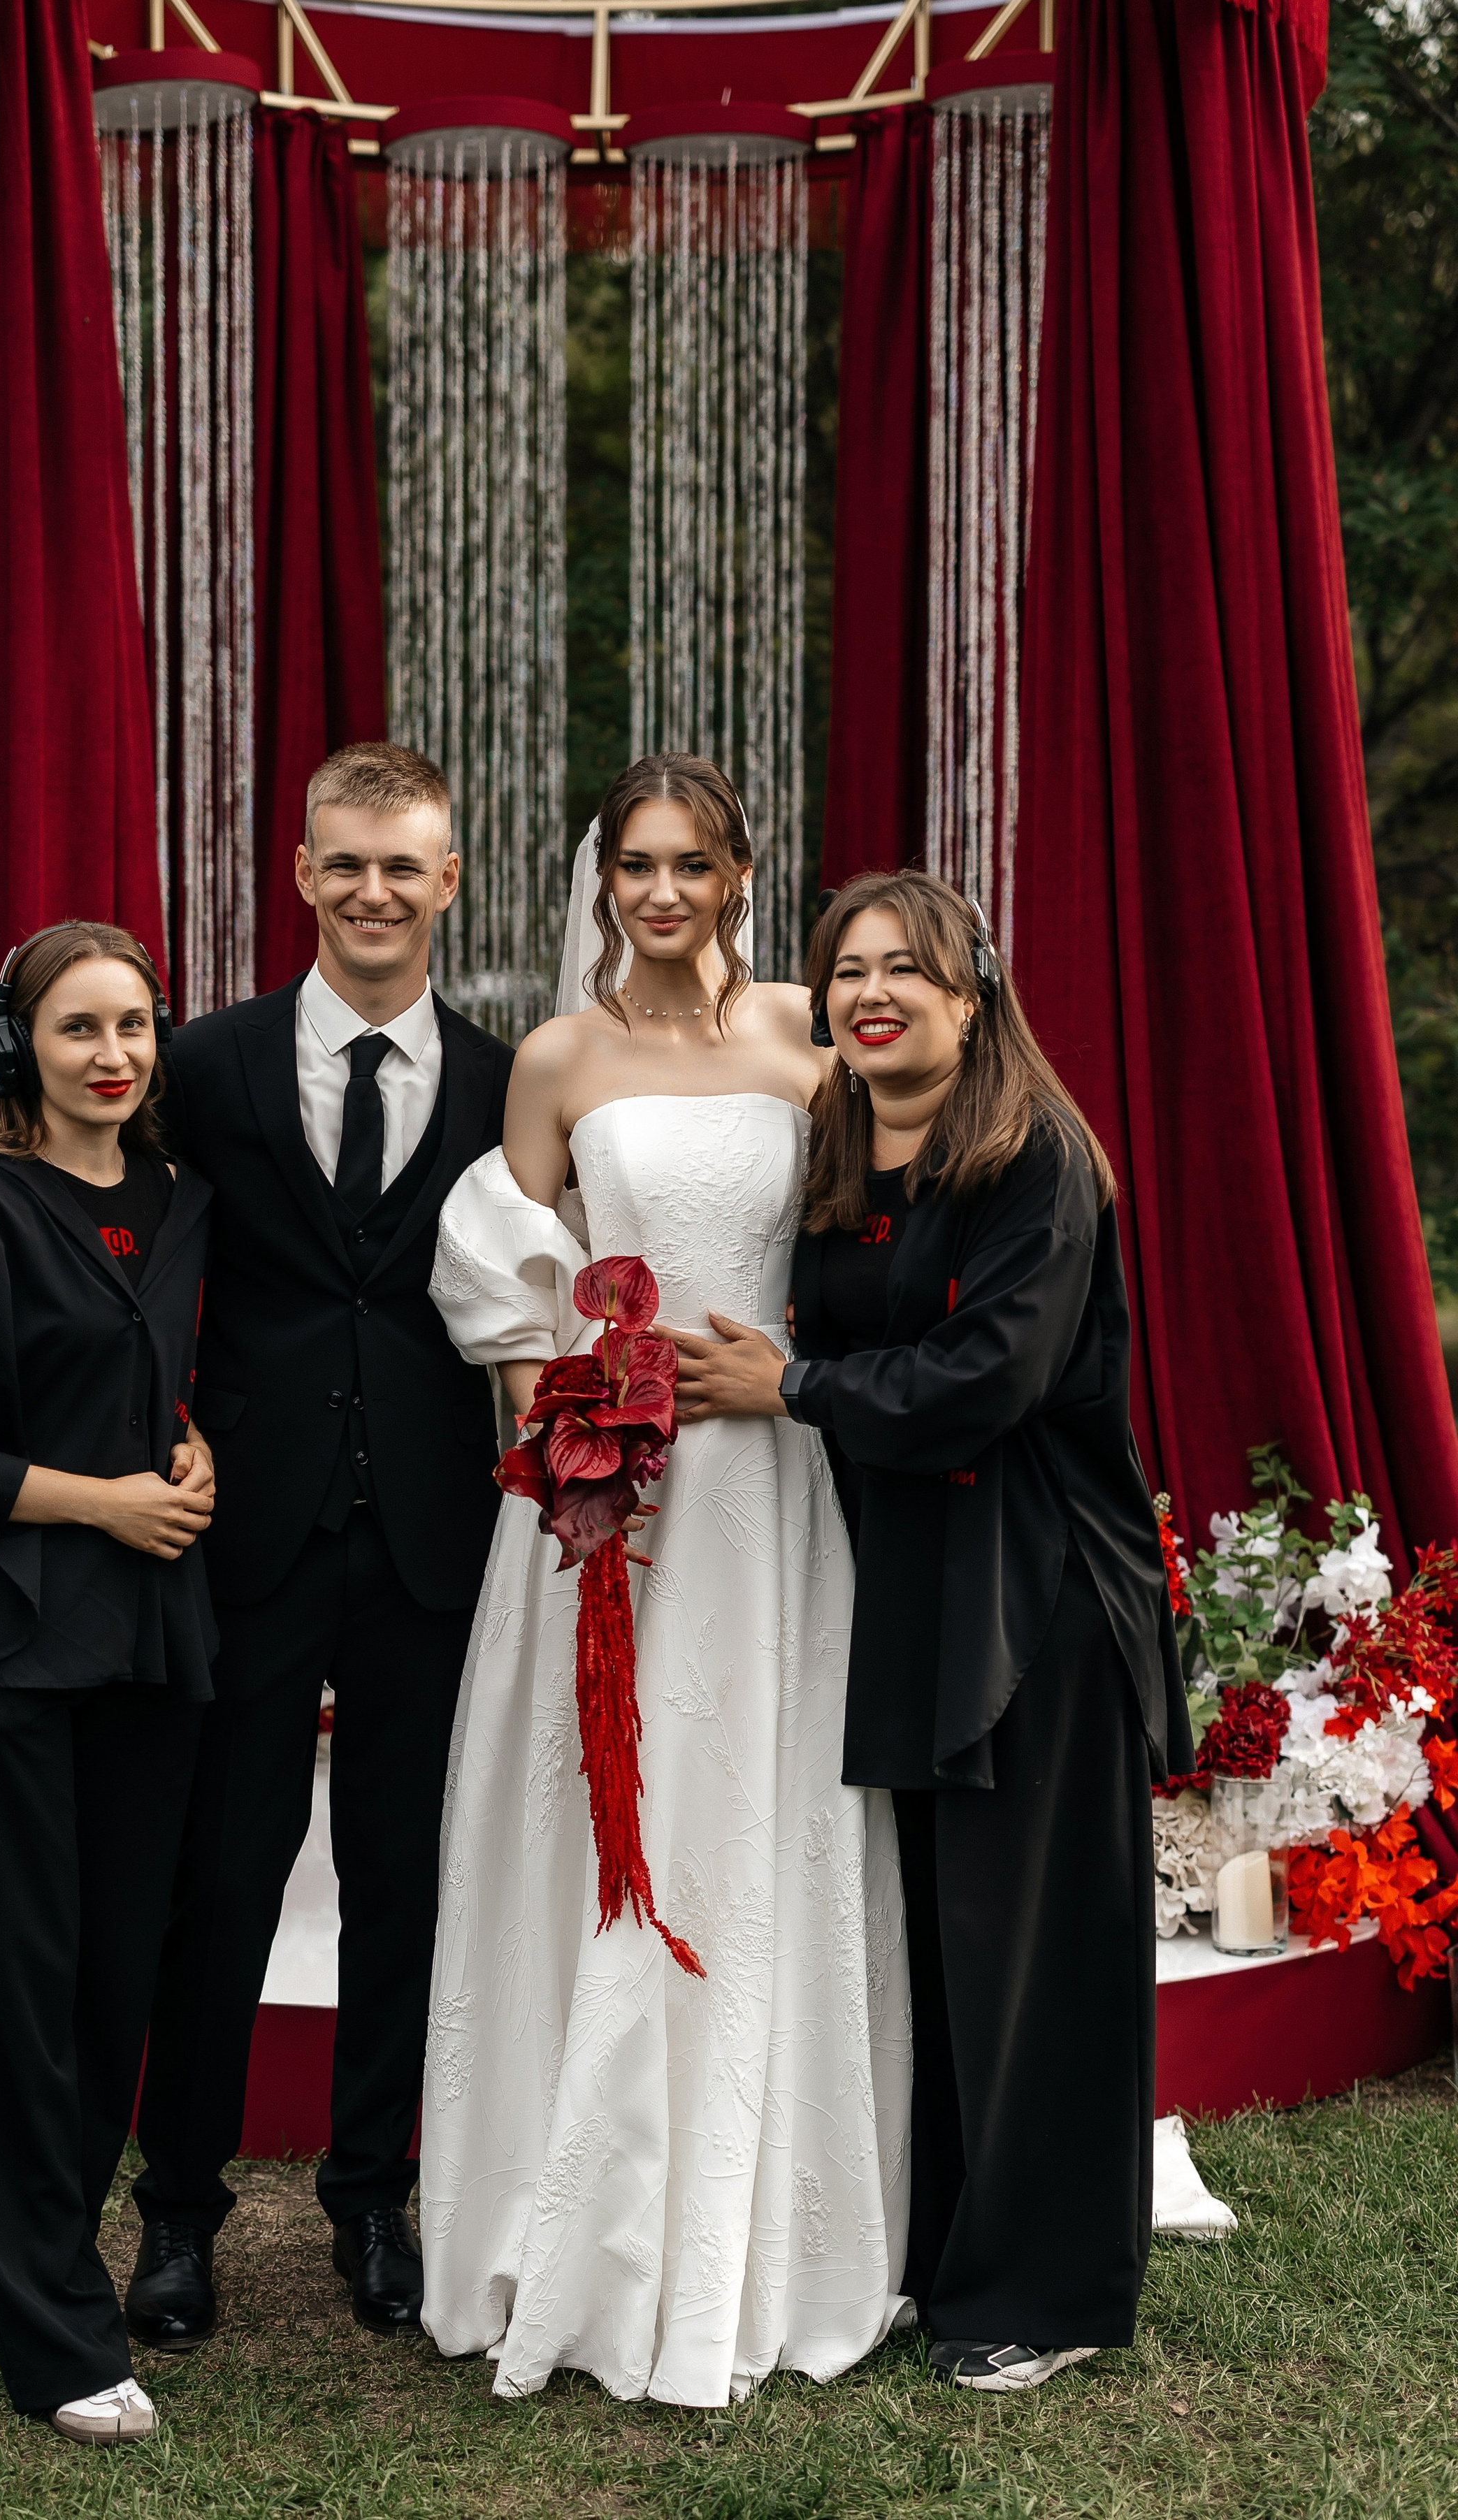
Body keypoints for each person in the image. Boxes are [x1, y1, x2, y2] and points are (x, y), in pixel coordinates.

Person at [420, 753, 912, 2409]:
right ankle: (581, 2216)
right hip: (609, 1510)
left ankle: (764, 2228)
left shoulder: (803, 1036)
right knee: (595, 1817)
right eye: (634, 861)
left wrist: (798, 1369)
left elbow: (872, 1245)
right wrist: (576, 1467)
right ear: (599, 877)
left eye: (690, 861)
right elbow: (516, 1302)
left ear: (738, 872)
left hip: (774, 1481)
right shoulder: (554, 1061)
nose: (659, 891)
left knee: (754, 1814)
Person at [672, 869, 1195, 2396]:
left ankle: (1046, 2290)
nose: (869, 992)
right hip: (903, 1587)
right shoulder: (845, 1151)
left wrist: (798, 1389)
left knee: (1032, 1951)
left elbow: (987, 1373)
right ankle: (941, 2247)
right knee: (934, 1943)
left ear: (974, 998)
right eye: (844, 970)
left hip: (1033, 1594)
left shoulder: (1036, 1157)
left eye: (907, 969)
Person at [125, 744, 514, 2347]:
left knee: (403, 1884)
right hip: (244, 1534)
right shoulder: (203, 1065)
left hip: (435, 1540)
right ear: (299, 873)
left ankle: (374, 2200)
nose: (370, 890)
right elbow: (118, 1258)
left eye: (400, 863)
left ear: (445, 881)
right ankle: (176, 2217)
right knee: (217, 1883)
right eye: (341, 862)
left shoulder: (507, 1082)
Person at [0, 921, 217, 2445]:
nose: (113, 1056)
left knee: (105, 1979)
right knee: (13, 1995)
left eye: (132, 1026)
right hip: (9, 1642)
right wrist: (103, 1498)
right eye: (77, 1029)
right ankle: (57, 2340)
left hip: (146, 1640)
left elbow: (135, 1376)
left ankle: (8, 2271)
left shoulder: (178, 1199)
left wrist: (189, 1442)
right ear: (16, 1049)